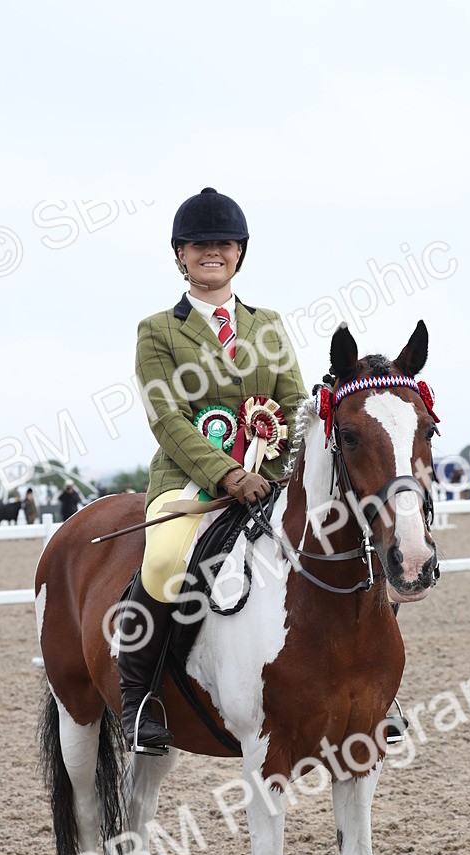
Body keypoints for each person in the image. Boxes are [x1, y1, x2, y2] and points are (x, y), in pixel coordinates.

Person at [118, 186, 306, 751]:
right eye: (199, 244)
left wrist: (272, 467)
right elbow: (166, 417)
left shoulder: (267, 323)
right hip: (187, 481)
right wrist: (229, 474)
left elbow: (294, 405)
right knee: (166, 561)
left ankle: (373, 690)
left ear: (239, 252)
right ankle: (141, 697)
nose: (212, 252)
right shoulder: (158, 330)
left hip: (268, 480)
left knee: (345, 542)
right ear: (180, 254)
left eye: (223, 243)